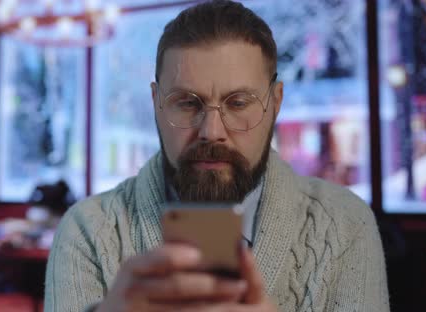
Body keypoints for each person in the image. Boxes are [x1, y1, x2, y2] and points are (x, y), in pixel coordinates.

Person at [44, 1, 389, 311]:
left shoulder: (344, 223)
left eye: (238, 103)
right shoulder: (87, 230)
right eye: (187, 102)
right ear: (156, 103)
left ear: (276, 102)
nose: (211, 130)